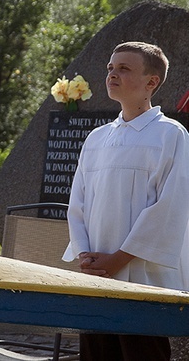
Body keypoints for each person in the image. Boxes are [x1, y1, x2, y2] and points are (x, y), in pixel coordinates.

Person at [63, 41, 189, 361]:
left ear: (152, 82)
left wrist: (120, 259)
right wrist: (85, 255)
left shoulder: (169, 135)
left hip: (142, 276)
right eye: (110, 68)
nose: (112, 74)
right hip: (95, 277)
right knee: (96, 354)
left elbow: (170, 207)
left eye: (124, 68)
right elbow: (78, 203)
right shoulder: (96, 138)